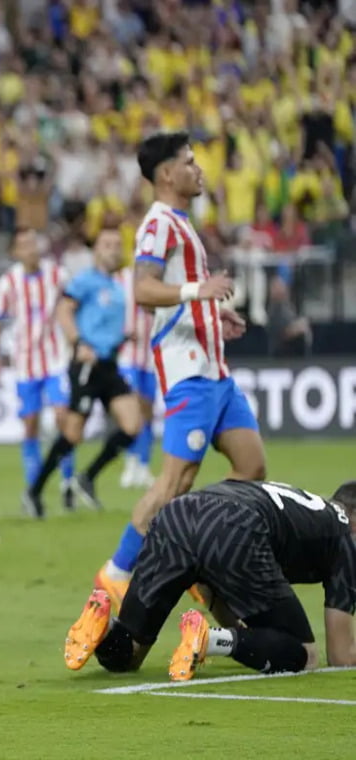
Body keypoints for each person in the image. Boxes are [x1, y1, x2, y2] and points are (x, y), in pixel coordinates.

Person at [94, 131, 263, 610]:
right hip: (187, 372)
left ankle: (193, 545)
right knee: (174, 483)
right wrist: (197, 294)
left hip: (217, 372)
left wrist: (212, 314)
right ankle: (116, 574)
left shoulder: (183, 224)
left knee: (251, 469)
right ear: (166, 174)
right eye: (190, 162)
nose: (199, 168)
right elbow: (144, 291)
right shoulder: (158, 224)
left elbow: (176, 292)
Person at [65, 479, 356, 681]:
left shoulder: (305, 506)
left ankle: (104, 628)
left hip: (176, 515)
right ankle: (212, 640)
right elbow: (341, 657)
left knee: (129, 654)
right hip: (234, 525)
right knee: (304, 655)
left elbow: (219, 586)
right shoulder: (344, 535)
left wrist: (247, 638)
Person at [22, 227, 143, 517]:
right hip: (87, 365)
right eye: (107, 244)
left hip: (110, 364)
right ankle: (34, 491)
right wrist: (78, 342)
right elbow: (63, 311)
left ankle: (86, 478)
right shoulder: (85, 281)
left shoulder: (117, 286)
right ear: (96, 250)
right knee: (73, 434)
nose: (113, 249)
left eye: (117, 244)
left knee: (133, 426)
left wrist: (123, 338)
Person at [0, 228, 74, 507]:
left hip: (55, 359)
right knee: (31, 425)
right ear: (15, 252)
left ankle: (68, 483)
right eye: (24, 245)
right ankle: (34, 490)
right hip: (25, 364)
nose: (31, 249)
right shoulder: (8, 282)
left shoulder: (57, 274)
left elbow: (73, 306)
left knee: (63, 418)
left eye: (33, 242)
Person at [116, 262, 156, 489]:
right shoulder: (121, 279)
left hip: (151, 357)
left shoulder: (160, 281)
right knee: (134, 408)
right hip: (127, 355)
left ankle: (143, 464)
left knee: (148, 412)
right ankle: (131, 463)